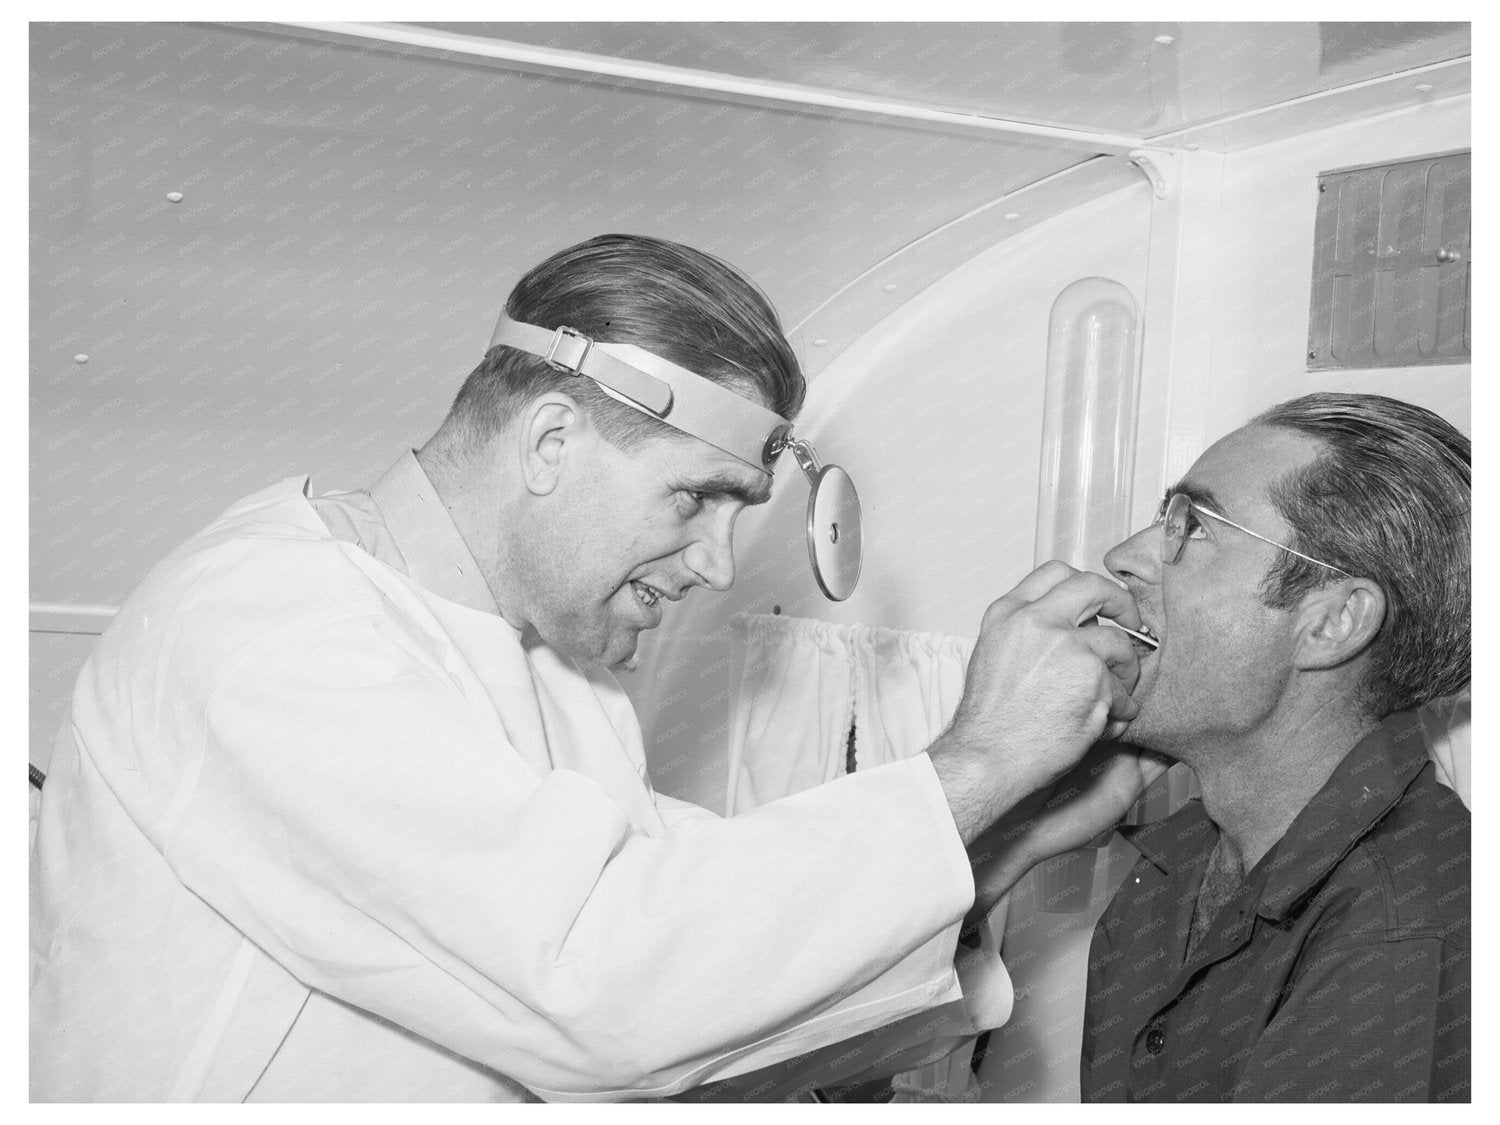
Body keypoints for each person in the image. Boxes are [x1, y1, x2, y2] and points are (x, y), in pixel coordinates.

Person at [32, 234, 1154, 1102]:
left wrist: (1006, 836)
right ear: (553, 441)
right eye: (699, 497)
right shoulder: (271, 628)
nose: (719, 562)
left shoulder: (552, 663)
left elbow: (690, 995)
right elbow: (605, 988)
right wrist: (980, 762)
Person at [1079, 392, 1470, 1103]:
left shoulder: (1400, 930)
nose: (1124, 557)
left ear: (1332, 623)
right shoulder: (1167, 872)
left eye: (1191, 526)